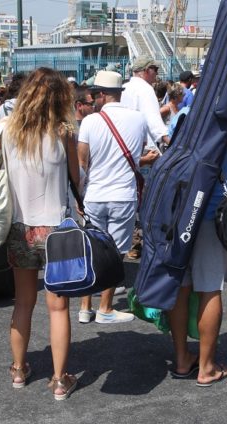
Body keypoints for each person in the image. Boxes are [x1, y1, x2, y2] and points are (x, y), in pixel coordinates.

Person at [2, 68, 82, 400]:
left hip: (20, 226)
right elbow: (78, 179)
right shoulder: (64, 132)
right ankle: (60, 379)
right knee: (58, 307)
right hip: (56, 229)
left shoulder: (7, 130)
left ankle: (19, 370)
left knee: (23, 302)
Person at [168, 109, 227, 386]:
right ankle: (206, 366)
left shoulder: (189, 111)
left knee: (181, 287)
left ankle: (183, 358)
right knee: (210, 287)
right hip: (217, 213)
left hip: (181, 210)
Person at [77, 70, 159, 324]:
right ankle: (105, 307)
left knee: (91, 249)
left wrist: (79, 196)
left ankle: (85, 306)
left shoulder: (90, 121)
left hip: (94, 193)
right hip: (123, 193)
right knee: (115, 252)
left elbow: (82, 162)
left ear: (102, 95)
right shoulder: (138, 119)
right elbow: (139, 155)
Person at [121, 56, 170, 148]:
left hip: (125, 144)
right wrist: (171, 142)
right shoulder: (146, 89)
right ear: (147, 70)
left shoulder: (124, 87)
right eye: (155, 69)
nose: (157, 73)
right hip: (144, 146)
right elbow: (153, 121)